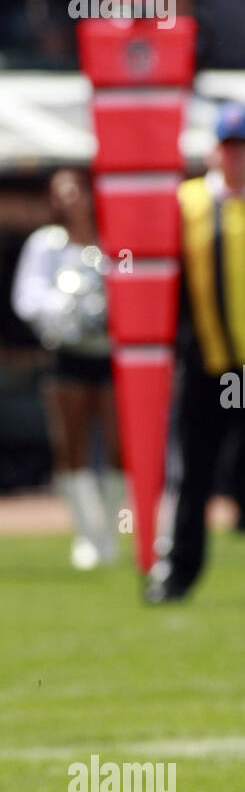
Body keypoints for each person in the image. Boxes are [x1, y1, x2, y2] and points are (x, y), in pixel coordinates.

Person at [146, 103, 245, 603]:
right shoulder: (188, 201)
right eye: (231, 148)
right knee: (194, 472)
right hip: (207, 362)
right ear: (216, 151)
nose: (238, 159)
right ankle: (178, 571)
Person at [12, 168, 124, 570]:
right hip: (67, 357)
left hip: (112, 356)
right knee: (71, 446)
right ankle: (87, 535)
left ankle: (109, 532)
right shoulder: (46, 244)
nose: (72, 199)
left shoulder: (115, 241)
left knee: (119, 446)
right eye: (63, 193)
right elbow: (27, 298)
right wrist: (67, 312)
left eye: (77, 190)